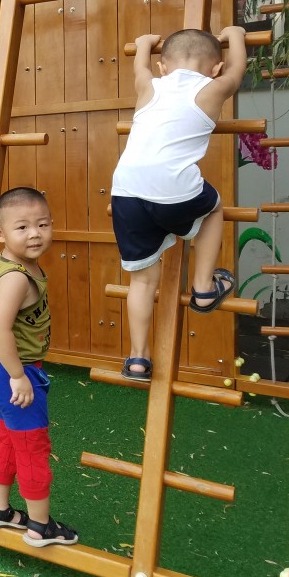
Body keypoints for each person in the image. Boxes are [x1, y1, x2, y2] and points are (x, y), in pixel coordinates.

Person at [111, 27, 247, 380]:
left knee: (142, 281)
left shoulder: (150, 85)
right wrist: (236, 35)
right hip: (173, 189)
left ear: (163, 68)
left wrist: (143, 43)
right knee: (213, 208)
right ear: (215, 68)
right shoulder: (214, 86)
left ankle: (137, 359)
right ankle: (203, 288)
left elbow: (139, 67)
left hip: (125, 190)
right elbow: (238, 70)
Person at [0, 187, 77, 547]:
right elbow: (1, 326)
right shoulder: (18, 277)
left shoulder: (8, 266)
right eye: (22, 227)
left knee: (7, 436)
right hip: (12, 371)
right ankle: (40, 526)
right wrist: (18, 375)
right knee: (32, 445)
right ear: (0, 233)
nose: (35, 234)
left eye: (42, 224)